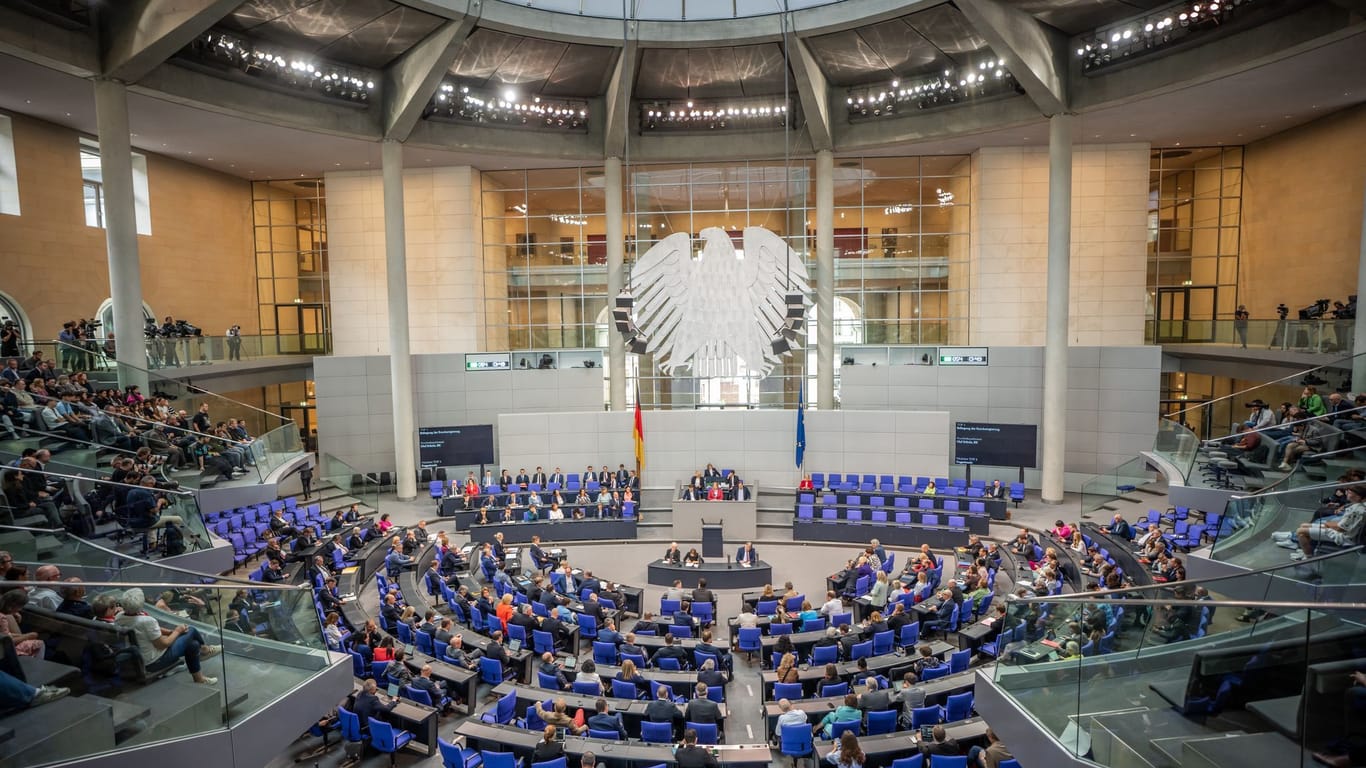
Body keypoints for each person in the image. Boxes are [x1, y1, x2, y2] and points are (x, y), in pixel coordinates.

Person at [115, 587, 220, 685]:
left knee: (193, 644)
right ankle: (205, 649)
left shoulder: (120, 617)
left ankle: (199, 678)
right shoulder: (146, 621)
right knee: (191, 630)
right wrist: (178, 631)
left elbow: (151, 631)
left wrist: (171, 632)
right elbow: (163, 645)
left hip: (138, 659)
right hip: (154, 662)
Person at [0, 589, 44, 657]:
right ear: (12, 606)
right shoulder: (2, 618)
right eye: (20, 607)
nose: (20, 610)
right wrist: (27, 636)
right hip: (3, 651)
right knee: (40, 644)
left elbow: (6, 634)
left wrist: (23, 636)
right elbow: (6, 641)